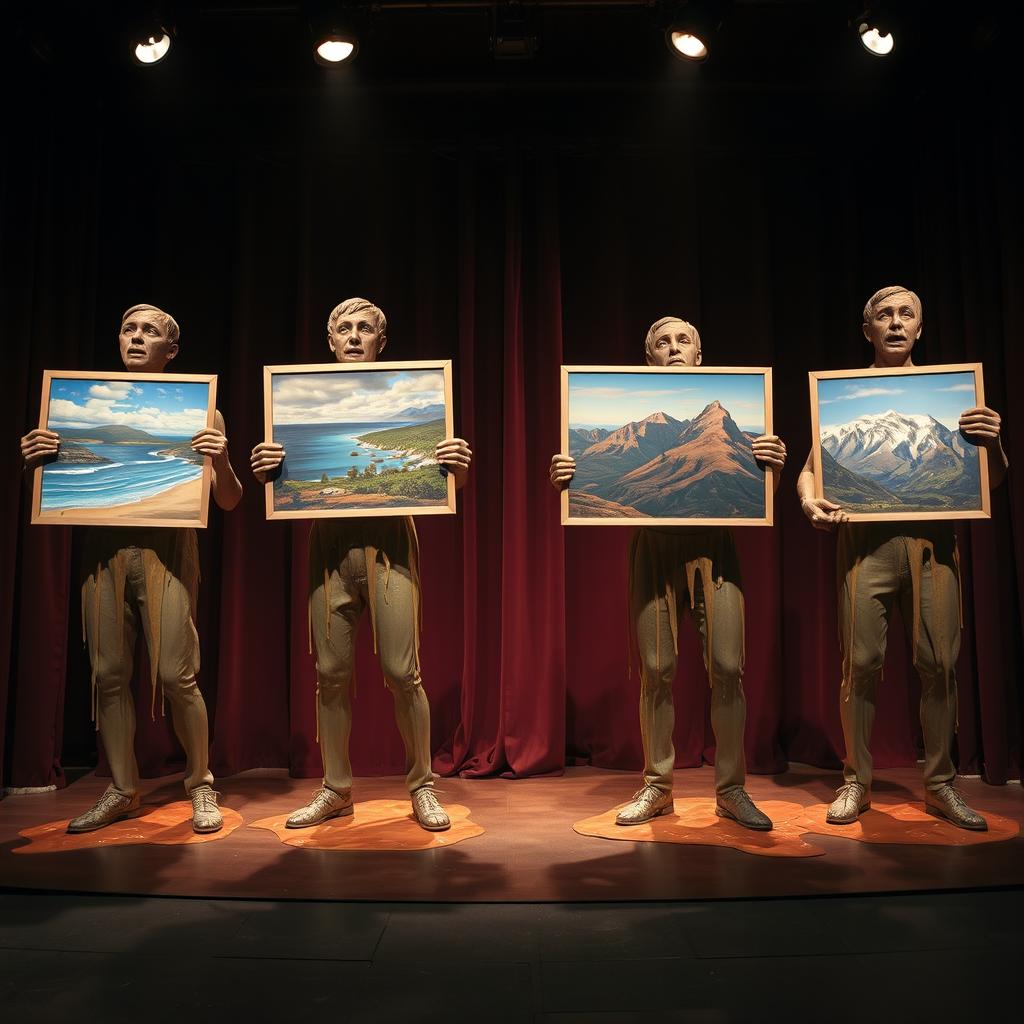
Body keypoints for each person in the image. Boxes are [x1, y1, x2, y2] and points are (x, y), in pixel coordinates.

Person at [550, 316, 786, 830]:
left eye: (684, 342)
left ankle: (732, 790)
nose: (674, 348)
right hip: (653, 550)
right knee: (655, 672)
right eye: (663, 342)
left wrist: (771, 466)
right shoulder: (659, 418)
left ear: (700, 359)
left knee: (728, 668)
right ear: (649, 358)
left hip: (716, 552)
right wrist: (568, 478)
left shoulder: (727, 424)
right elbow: (582, 481)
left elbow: (758, 492)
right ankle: (657, 786)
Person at [251, 297, 472, 832]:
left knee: (402, 671)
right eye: (344, 329)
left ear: (381, 341)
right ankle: (336, 789)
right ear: (330, 343)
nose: (353, 336)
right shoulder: (296, 403)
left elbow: (450, 488)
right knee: (329, 675)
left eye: (365, 328)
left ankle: (422, 785)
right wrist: (269, 469)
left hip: (392, 544)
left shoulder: (419, 394)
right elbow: (274, 487)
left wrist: (456, 470)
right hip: (328, 549)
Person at [20, 303, 243, 833]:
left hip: (168, 556)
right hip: (104, 557)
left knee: (175, 674)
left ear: (173, 350)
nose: (137, 337)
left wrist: (225, 458)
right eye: (129, 329)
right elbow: (52, 490)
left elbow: (230, 502)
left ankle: (201, 783)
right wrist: (38, 460)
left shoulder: (204, 411)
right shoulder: (71, 408)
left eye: (151, 331)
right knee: (109, 675)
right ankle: (122, 788)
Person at [796, 285, 1008, 830]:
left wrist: (995, 447)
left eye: (905, 314)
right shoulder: (841, 396)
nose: (895, 323)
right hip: (863, 548)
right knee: (860, 665)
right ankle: (855, 781)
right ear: (866, 330)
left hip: (933, 549)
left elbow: (991, 484)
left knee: (939, 664)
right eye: (883, 315)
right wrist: (807, 498)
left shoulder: (955, 394)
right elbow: (811, 467)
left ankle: (940, 784)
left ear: (920, 328)